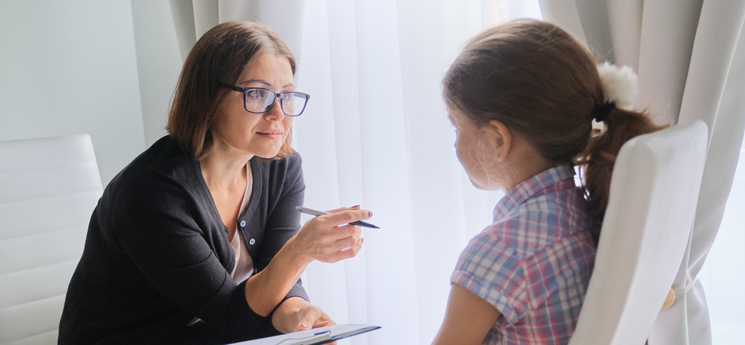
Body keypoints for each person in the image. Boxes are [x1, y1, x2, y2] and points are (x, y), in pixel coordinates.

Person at [58, 21, 371, 344]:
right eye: (258, 94)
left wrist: (298, 317)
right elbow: (231, 314)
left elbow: (274, 279)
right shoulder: (152, 194)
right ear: (208, 97)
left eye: (287, 95)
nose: (278, 112)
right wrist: (302, 250)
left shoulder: (283, 168)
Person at [432, 20, 664, 345]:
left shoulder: (498, 255)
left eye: (457, 128)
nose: (455, 144)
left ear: (498, 139)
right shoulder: (593, 214)